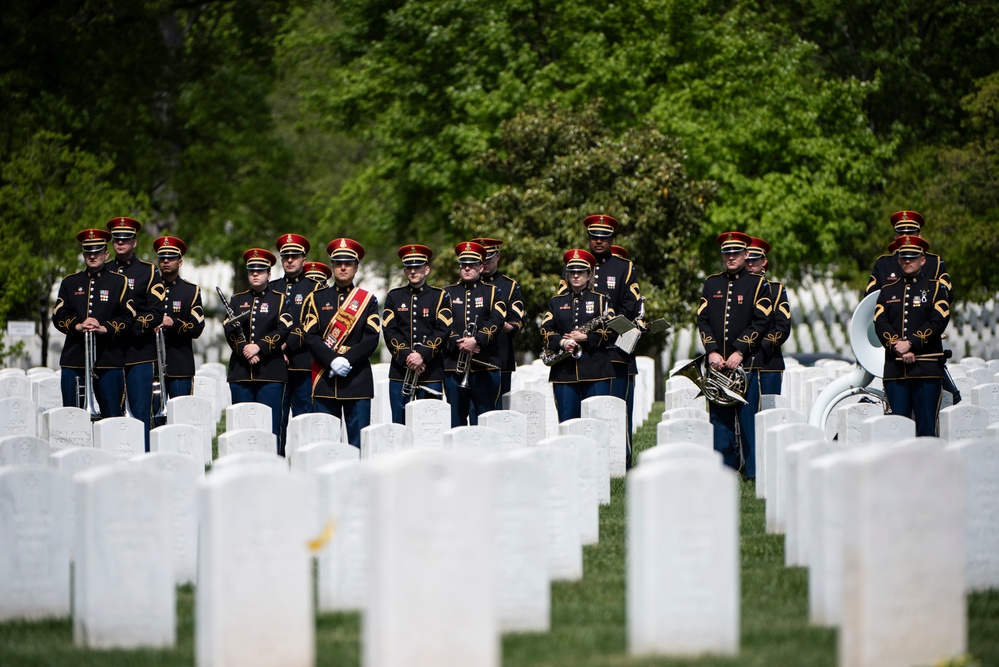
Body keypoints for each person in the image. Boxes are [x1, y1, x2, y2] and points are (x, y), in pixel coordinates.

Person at [696, 231, 772, 480]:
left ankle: (752, 473)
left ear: (745, 254)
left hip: (745, 363)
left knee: (748, 419)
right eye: (726, 253)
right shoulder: (712, 283)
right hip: (717, 365)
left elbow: (761, 322)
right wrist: (712, 351)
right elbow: (703, 319)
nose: (731, 257)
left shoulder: (758, 283)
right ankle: (724, 471)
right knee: (720, 421)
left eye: (736, 253)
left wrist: (740, 350)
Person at [301, 238, 381, 448]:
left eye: (348, 263)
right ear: (332, 266)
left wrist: (346, 359)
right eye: (338, 263)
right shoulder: (317, 298)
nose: (343, 267)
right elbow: (310, 336)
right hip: (325, 380)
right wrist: (332, 361)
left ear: (356, 267)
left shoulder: (368, 300)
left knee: (358, 444)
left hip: (357, 379)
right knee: (326, 445)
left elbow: (371, 337)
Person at [873, 235, 951, 437]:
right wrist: (895, 345)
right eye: (904, 257)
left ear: (922, 260)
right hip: (896, 371)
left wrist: (912, 344)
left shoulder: (935, 289)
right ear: (898, 260)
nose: (908, 261)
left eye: (913, 257)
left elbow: (938, 320)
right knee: (898, 431)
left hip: (926, 370)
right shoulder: (887, 291)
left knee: (926, 430)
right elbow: (880, 321)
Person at [53, 229, 134, 418]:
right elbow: (58, 315)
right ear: (83, 254)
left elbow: (128, 317)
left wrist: (105, 327)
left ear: (106, 254)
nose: (92, 256)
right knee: (71, 417)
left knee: (112, 416)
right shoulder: (70, 282)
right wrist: (78, 326)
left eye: (97, 251)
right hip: (75, 359)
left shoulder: (119, 282)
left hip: (109, 360)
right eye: (88, 252)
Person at [583, 214, 642, 466]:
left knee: (619, 410)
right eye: (594, 237)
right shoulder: (578, 267)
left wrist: (605, 328)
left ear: (611, 239)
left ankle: (622, 461)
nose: (598, 241)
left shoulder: (624, 268)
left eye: (604, 237)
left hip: (617, 351)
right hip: (589, 353)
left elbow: (631, 305)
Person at [105, 216, 165, 449]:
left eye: (126, 239)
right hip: (110, 350)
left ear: (134, 242)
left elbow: (157, 311)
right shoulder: (104, 271)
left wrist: (132, 325)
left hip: (140, 349)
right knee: (111, 411)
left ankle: (143, 455)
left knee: (141, 410)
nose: (120, 243)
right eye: (116, 239)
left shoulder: (148, 272)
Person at [225, 248, 293, 449]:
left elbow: (284, 327)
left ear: (269, 274)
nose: (255, 274)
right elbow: (229, 329)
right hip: (241, 373)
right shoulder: (237, 299)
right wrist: (244, 349)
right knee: (242, 427)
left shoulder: (280, 299)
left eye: (260, 270)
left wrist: (260, 347)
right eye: (251, 271)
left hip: (270, 372)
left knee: (271, 427)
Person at [540, 249, 615, 422]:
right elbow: (545, 329)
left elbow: (613, 330)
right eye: (571, 272)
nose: (575, 276)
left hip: (596, 370)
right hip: (564, 371)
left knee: (597, 422)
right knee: (567, 422)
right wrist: (562, 342)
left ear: (589, 275)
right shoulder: (556, 301)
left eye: (580, 272)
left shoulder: (602, 300)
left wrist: (587, 338)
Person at [381, 244, 452, 424]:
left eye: (418, 267)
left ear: (426, 269)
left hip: (430, 370)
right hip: (400, 370)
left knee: (430, 425)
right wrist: (408, 357)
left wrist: (422, 355)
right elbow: (390, 330)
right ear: (405, 271)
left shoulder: (440, 296)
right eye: (409, 268)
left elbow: (443, 330)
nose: (413, 271)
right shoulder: (393, 297)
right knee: (399, 423)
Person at [443, 241, 506, 427]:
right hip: (454, 365)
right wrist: (459, 342)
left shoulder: (494, 292)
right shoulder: (447, 293)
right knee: (456, 422)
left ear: (480, 266)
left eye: (472, 264)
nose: (467, 268)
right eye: (463, 264)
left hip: (485, 364)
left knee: (486, 421)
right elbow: (442, 323)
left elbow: (497, 319)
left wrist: (477, 339)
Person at [271, 234, 321, 435]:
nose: (290, 260)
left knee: (305, 418)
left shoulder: (315, 288)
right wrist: (273, 348)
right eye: (286, 257)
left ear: (304, 260)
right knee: (277, 420)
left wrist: (284, 346)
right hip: (275, 364)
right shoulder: (272, 288)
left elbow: (309, 323)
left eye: (295, 256)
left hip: (303, 363)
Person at [153, 235, 205, 406]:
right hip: (153, 366)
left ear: (180, 262)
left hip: (179, 365)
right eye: (162, 258)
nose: (166, 261)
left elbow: (196, 328)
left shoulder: (190, 291)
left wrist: (174, 323)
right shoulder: (148, 290)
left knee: (181, 416)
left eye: (171, 258)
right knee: (155, 418)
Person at [472, 237, 524, 397]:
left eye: (489, 257)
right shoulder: (466, 286)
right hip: (474, 356)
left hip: (500, 356)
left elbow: (518, 321)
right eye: (481, 259)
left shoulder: (509, 286)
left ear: (498, 256)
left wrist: (502, 325)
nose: (485, 262)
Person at [745, 237, 791, 397]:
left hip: (768, 364)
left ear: (763, 262)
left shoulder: (776, 290)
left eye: (754, 260)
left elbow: (782, 327)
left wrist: (757, 349)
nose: (750, 264)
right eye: (746, 260)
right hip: (741, 363)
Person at [866, 210, 950, 294]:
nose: (905, 237)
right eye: (901, 233)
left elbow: (945, 295)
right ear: (895, 237)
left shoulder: (934, 263)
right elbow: (871, 297)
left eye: (910, 233)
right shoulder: (883, 264)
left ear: (919, 236)